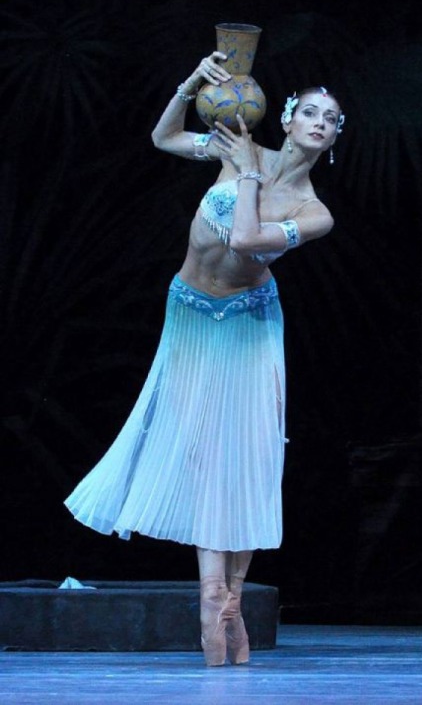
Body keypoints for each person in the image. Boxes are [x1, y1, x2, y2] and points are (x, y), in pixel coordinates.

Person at [64, 49, 345, 666]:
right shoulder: (240, 151)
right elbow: (164, 137)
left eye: (333, 118)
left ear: (332, 139)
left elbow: (247, 240)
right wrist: (189, 84)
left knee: (244, 451)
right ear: (290, 117)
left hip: (249, 324)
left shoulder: (313, 212)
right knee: (198, 446)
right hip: (191, 312)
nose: (320, 122)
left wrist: (247, 175)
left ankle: (225, 599)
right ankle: (213, 591)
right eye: (312, 112)